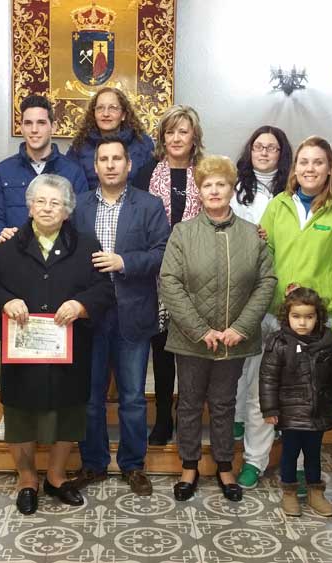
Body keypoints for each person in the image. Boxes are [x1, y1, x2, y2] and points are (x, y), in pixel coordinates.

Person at [0, 174, 115, 515]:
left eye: (56, 203)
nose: (48, 208)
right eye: (41, 201)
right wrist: (6, 301)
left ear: (67, 210)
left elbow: (104, 290)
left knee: (67, 415)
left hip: (69, 351)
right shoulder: (8, 246)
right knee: (21, 415)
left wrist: (81, 305)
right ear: (30, 206)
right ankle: (26, 478)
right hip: (21, 352)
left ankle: (55, 475)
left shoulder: (86, 245)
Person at [240, 136, 332, 490]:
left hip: (319, 322)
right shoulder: (278, 206)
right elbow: (266, 256)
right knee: (265, 388)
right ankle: (254, 461)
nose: (310, 169)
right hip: (275, 317)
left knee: (313, 393)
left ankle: (308, 467)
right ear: (295, 168)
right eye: (304, 162)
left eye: (318, 162)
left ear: (329, 168)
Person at [159, 155, 276, 503]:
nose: (214, 190)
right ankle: (189, 466)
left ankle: (225, 465)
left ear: (231, 189)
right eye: (207, 185)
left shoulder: (251, 235)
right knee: (191, 402)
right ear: (200, 190)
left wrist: (240, 327)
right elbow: (169, 282)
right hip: (191, 339)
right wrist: (199, 329)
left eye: (221, 184)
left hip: (234, 340)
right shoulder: (182, 232)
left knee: (226, 404)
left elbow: (266, 282)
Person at [68, 137, 170, 495]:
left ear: (128, 165)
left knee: (132, 397)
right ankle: (93, 463)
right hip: (89, 316)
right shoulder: (78, 206)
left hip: (134, 313)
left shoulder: (149, 205)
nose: (110, 165)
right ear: (94, 167)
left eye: (117, 159)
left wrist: (125, 262)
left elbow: (162, 252)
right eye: (104, 159)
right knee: (90, 397)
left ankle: (132, 465)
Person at [0, 94, 89, 442]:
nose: (34, 129)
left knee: (58, 362)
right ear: (21, 127)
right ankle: (11, 414)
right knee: (20, 357)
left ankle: (54, 426)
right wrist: (3, 235)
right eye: (27, 123)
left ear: (52, 126)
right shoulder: (3, 170)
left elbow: (81, 218)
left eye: (41, 122)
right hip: (18, 272)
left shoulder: (73, 170)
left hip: (59, 267)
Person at [132, 105, 206, 445]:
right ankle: (162, 417)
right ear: (162, 137)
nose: (176, 138)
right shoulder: (146, 173)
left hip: (195, 277)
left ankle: (186, 415)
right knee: (161, 352)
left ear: (194, 138)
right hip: (154, 277)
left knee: (189, 354)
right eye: (170, 132)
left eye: (183, 131)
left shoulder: (205, 173)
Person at [258, 287, 332, 517]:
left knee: (313, 453)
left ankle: (315, 493)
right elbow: (268, 378)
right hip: (290, 413)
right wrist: (270, 409)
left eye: (309, 317)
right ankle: (289, 494)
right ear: (286, 316)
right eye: (296, 317)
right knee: (289, 453)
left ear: (318, 317)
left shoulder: (327, 341)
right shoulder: (278, 343)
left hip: (318, 411)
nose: (302, 323)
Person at [231, 125, 292, 445]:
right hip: (247, 283)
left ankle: (278, 416)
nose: (265, 152)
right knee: (245, 361)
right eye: (258, 147)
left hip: (285, 282)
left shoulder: (292, 190)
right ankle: (238, 418)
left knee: (281, 361)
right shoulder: (236, 188)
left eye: (272, 148)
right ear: (250, 151)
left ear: (282, 155)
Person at [66, 86, 154, 190]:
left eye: (113, 108)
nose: (106, 114)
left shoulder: (143, 144)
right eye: (100, 108)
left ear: (123, 115)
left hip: (135, 204)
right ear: (93, 114)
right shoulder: (79, 146)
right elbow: (70, 186)